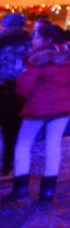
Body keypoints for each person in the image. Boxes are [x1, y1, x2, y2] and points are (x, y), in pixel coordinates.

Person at [5, 22, 70, 203]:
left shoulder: (39, 59)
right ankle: (48, 191)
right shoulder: (69, 56)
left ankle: (21, 187)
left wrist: (22, 99)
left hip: (39, 107)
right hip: (63, 108)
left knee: (23, 145)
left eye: (36, 36)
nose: (33, 40)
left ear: (46, 39)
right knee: (53, 145)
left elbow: (23, 87)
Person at [0, 14, 30, 178]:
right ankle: (8, 167)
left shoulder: (1, 41)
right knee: (12, 133)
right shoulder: (29, 45)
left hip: (3, 88)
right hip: (19, 93)